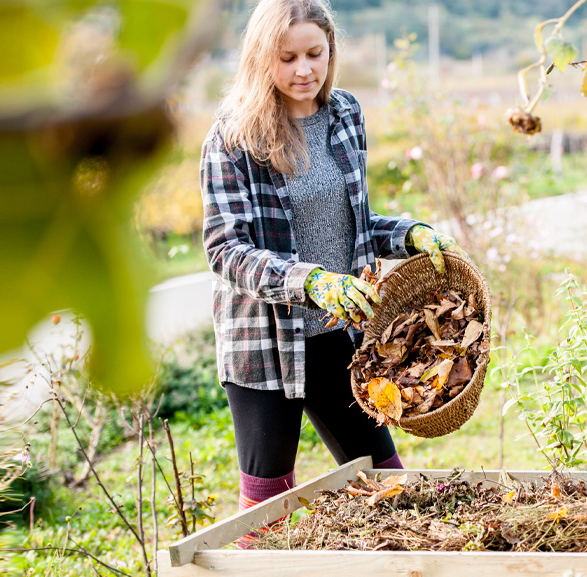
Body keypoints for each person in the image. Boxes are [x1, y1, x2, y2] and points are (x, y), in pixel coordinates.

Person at [199, 0, 465, 547]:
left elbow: (354, 222)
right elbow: (226, 248)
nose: (305, 70)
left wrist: (409, 234)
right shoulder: (232, 139)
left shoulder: (344, 115)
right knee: (266, 510)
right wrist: (313, 282)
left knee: (385, 484)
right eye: (288, 57)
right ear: (260, 59)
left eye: (315, 54)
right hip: (267, 348)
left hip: (339, 336)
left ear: (330, 52)